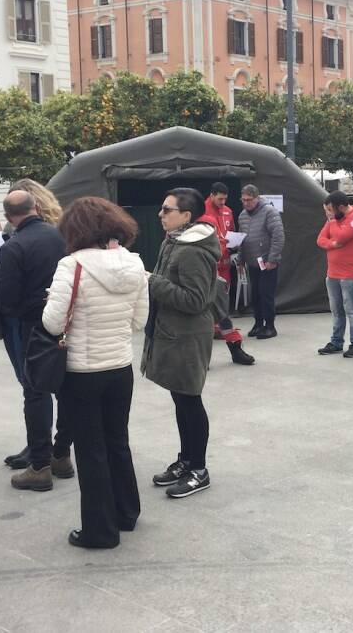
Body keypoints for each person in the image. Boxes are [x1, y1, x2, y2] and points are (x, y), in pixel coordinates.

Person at [43, 197, 148, 548]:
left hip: (82, 371)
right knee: (117, 440)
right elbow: (139, 321)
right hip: (120, 366)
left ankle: (99, 531)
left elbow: (53, 322)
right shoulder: (134, 263)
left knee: (91, 449)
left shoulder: (70, 267)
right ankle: (127, 512)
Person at [143, 188, 219, 499]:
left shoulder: (193, 251)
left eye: (166, 209)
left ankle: (199, 469)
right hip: (172, 333)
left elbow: (195, 300)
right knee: (181, 399)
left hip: (188, 336)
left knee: (190, 400)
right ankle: (186, 460)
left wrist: (151, 281)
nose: (160, 214)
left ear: (186, 216)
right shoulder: (173, 241)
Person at [0, 190, 73, 491]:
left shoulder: (15, 246)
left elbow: (6, 297)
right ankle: (62, 453)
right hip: (66, 320)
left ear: (8, 217)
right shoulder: (61, 237)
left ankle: (39, 464)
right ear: (36, 207)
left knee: (36, 391)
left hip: (33, 325)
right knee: (66, 389)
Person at [201, 182, 254, 365]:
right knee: (205, 313)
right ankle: (203, 358)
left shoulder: (227, 211)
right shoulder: (202, 212)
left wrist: (232, 251)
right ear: (212, 194)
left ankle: (235, 350)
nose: (223, 202)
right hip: (207, 268)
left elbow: (229, 232)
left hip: (223, 266)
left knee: (223, 311)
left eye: (225, 198)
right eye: (220, 198)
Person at [316, 190, 353, 358]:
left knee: (351, 309)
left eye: (330, 210)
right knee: (336, 310)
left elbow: (342, 237)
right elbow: (320, 240)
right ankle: (337, 342)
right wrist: (333, 243)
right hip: (333, 272)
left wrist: (332, 232)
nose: (328, 214)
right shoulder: (334, 219)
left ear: (341, 207)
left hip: (350, 273)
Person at [237, 185, 284, 339]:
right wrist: (240, 260)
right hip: (252, 263)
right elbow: (241, 239)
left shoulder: (270, 212)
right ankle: (258, 324)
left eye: (249, 200)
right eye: (243, 200)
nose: (246, 203)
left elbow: (278, 237)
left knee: (266, 294)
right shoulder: (242, 215)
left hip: (267, 262)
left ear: (257, 198)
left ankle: (270, 326)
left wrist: (272, 259)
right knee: (255, 294)